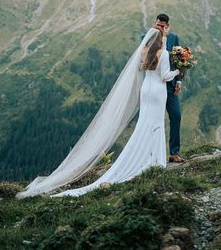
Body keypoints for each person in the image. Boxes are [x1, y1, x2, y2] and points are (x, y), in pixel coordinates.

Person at [16, 26, 179, 198]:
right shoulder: (164, 53)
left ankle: (144, 157)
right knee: (156, 123)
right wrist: (178, 70)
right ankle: (155, 159)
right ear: (160, 40)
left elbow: (143, 69)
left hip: (146, 91)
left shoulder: (144, 51)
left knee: (144, 124)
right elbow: (166, 76)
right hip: (158, 92)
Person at [154, 14, 186, 163]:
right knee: (156, 119)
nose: (160, 28)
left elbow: (178, 61)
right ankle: (154, 153)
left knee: (176, 115)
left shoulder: (174, 38)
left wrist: (178, 81)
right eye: (158, 25)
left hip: (170, 86)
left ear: (167, 25)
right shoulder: (147, 37)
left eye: (163, 26)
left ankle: (174, 152)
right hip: (155, 86)